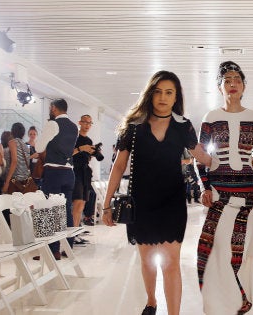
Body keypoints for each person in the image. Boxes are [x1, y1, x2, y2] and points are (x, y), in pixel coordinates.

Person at [102, 71, 213, 315]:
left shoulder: (183, 126)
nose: (163, 97)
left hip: (172, 201)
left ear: (176, 98)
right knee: (147, 258)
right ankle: (151, 301)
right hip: (141, 202)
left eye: (169, 92)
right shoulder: (133, 127)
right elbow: (119, 166)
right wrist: (106, 203)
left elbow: (202, 157)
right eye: (159, 91)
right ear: (150, 94)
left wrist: (228, 164)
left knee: (171, 263)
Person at [196, 61, 253, 314]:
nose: (232, 84)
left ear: (244, 85)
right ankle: (217, 300)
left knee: (243, 247)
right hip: (218, 191)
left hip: (248, 193)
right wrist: (204, 186)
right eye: (227, 80)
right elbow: (200, 154)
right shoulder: (211, 117)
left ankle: (239, 298)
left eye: (237, 79)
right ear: (220, 87)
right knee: (214, 246)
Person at [35, 99, 79, 260]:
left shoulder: (53, 124)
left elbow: (39, 147)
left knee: (48, 210)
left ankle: (52, 250)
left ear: (53, 108)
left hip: (53, 171)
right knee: (66, 209)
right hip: (69, 172)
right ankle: (68, 246)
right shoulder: (75, 127)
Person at [72, 114, 102, 243]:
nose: (87, 125)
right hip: (75, 171)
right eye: (85, 122)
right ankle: (72, 234)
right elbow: (69, 154)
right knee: (77, 203)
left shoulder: (89, 140)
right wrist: (80, 149)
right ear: (80, 122)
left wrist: (93, 152)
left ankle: (76, 232)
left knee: (82, 204)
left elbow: (87, 157)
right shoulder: (74, 138)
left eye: (90, 123)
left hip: (85, 172)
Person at [2, 123, 31, 194]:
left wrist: (7, 182)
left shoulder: (12, 142)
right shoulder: (25, 145)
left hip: (15, 180)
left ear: (12, 132)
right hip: (25, 179)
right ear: (23, 133)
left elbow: (14, 161)